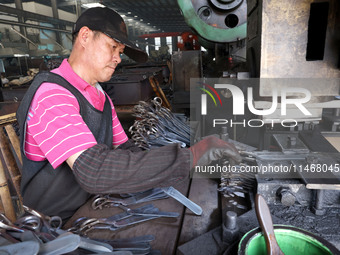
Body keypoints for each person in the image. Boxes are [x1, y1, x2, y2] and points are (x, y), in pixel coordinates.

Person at [16, 7, 241, 221]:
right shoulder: (52, 95)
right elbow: (93, 171)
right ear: (85, 37)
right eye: (112, 47)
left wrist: (163, 170)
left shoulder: (99, 95)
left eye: (120, 52)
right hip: (53, 223)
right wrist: (189, 156)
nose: (118, 58)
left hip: (91, 204)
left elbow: (125, 150)